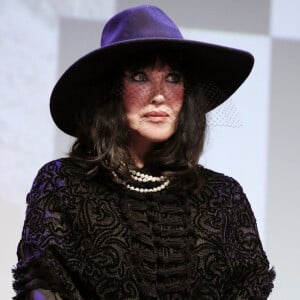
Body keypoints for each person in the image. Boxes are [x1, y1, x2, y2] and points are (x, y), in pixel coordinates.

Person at [12, 5, 275, 300]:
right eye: (140, 77)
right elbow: (43, 287)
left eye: (173, 77)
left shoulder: (223, 196)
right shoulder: (63, 184)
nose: (160, 95)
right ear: (111, 91)